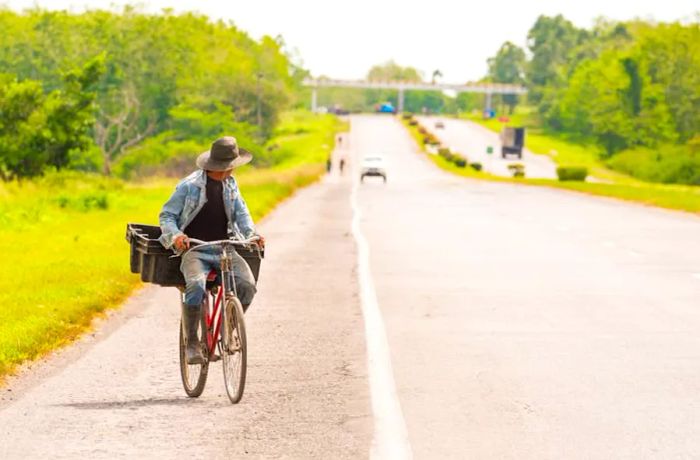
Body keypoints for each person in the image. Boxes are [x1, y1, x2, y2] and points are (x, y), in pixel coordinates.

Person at [159, 136, 264, 364]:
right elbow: (167, 216)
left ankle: (229, 327)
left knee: (247, 286)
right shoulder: (189, 186)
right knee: (195, 285)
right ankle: (193, 343)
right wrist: (176, 236)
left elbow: (242, 214)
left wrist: (251, 236)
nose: (233, 170)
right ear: (223, 166)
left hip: (224, 249)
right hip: (195, 250)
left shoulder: (230, 184)